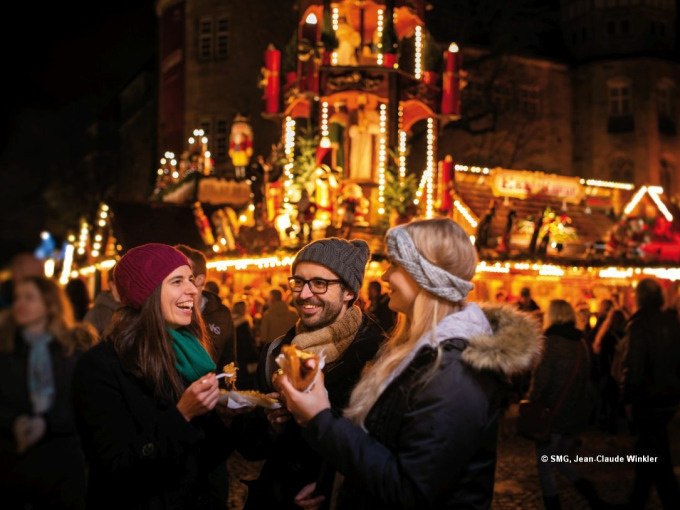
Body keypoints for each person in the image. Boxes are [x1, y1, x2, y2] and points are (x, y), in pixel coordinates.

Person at [276, 219, 542, 510]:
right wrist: (338, 483)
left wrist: (320, 418)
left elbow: (412, 491)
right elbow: (381, 445)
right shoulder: (414, 350)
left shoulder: (455, 372)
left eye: (395, 265)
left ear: (424, 275)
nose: (386, 276)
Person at [71, 243, 237, 509]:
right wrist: (182, 415)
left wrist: (230, 417)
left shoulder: (191, 354)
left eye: (192, 280)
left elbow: (209, 456)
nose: (193, 290)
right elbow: (117, 468)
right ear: (146, 293)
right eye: (177, 281)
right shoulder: (101, 366)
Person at [243, 237, 385, 510]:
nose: (305, 293)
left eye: (320, 283)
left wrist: (330, 485)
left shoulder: (377, 356)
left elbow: (383, 452)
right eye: (298, 281)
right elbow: (251, 447)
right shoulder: (276, 352)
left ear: (349, 292)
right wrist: (272, 427)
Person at [0, 276, 97, 509]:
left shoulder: (75, 345)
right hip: (15, 457)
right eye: (17, 299)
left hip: (64, 457)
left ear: (50, 303)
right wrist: (14, 421)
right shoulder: (6, 347)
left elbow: (85, 400)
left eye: (29, 298)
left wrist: (48, 422)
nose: (20, 304)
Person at [526, 299, 607, 510]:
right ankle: (593, 497)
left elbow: (542, 382)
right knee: (559, 458)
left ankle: (554, 505)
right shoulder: (582, 342)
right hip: (573, 413)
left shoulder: (550, 342)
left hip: (551, 413)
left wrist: (531, 401)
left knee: (545, 467)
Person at [617, 278, 680, 509]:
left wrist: (627, 398)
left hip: (646, 398)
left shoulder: (639, 325)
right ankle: (640, 498)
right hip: (668, 397)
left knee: (651, 451)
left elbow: (634, 365)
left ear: (639, 297)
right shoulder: (672, 322)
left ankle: (651, 499)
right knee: (653, 450)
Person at [175, 244, 236, 370]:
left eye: (187, 277)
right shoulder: (168, 312)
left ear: (199, 280)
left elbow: (229, 361)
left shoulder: (221, 314)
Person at [230, 301, 259, 390]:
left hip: (233, 355)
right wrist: (255, 355)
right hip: (244, 357)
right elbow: (248, 342)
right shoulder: (243, 323)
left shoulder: (229, 321)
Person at [83, 270, 120, 336]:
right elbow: (86, 341)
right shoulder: (97, 313)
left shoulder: (130, 309)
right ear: (111, 284)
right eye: (121, 281)